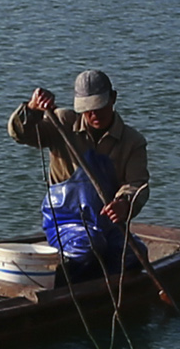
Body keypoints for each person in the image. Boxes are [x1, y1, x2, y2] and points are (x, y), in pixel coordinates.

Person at [8, 68, 148, 270]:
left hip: (107, 226)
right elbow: (21, 134)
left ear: (113, 98)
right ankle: (68, 278)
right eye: (87, 108)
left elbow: (137, 184)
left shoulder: (132, 141)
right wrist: (32, 110)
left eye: (99, 106)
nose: (93, 114)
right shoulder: (63, 122)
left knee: (136, 255)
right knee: (89, 244)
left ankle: (101, 283)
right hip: (65, 221)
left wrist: (124, 203)